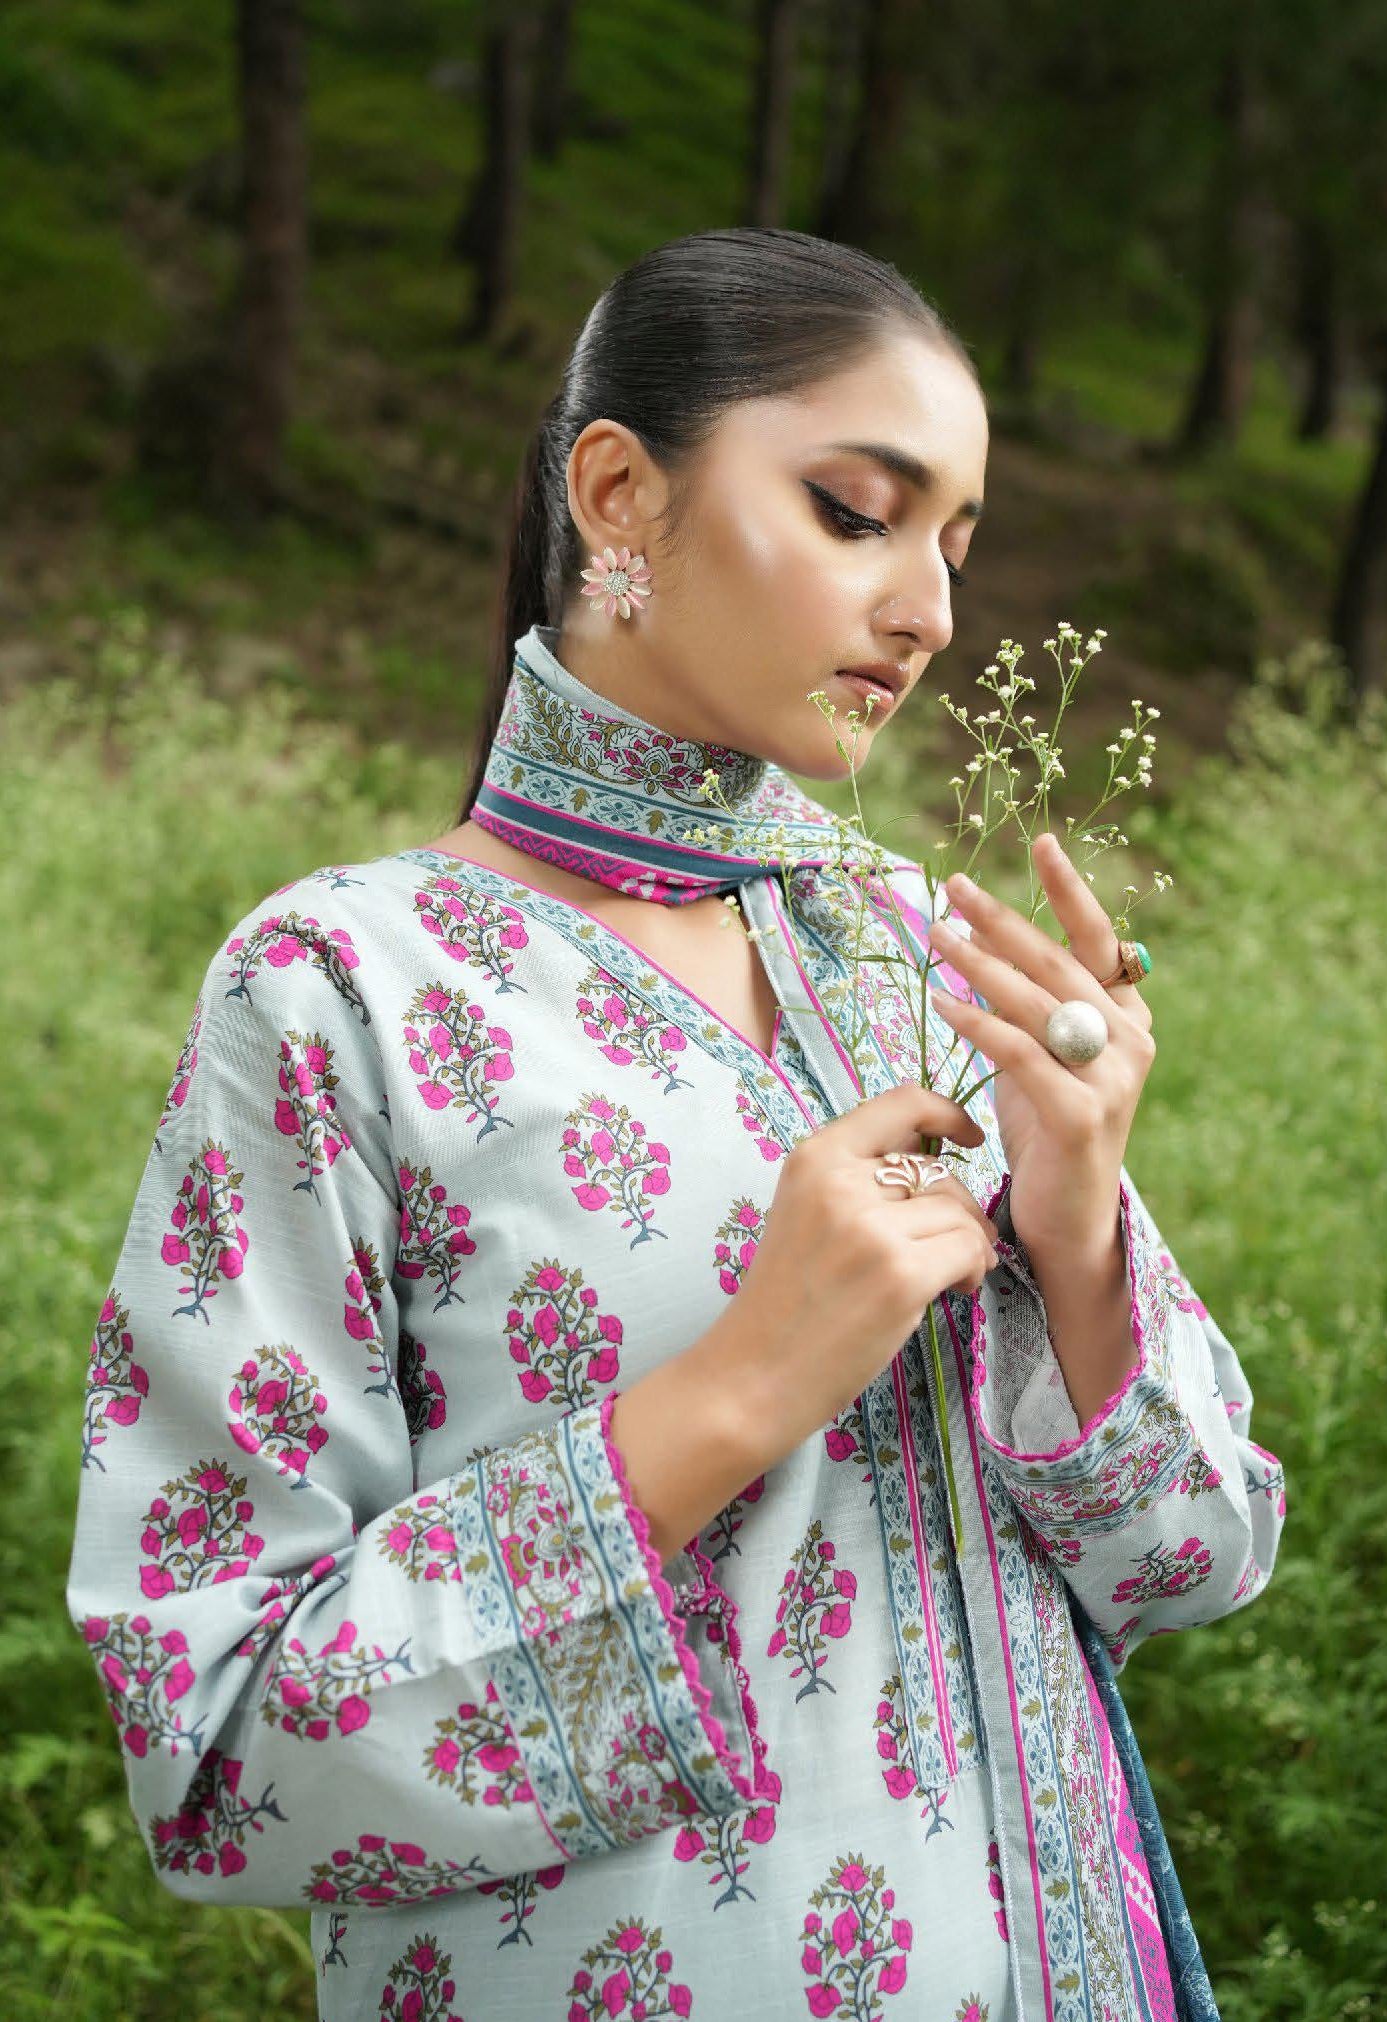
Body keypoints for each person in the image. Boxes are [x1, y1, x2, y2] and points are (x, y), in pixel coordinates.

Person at [65, 227, 1286, 2022]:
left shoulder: (912, 956)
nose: (931, 615)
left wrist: (1076, 1213)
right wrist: (739, 1385)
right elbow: (221, 1738)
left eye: (955, 550)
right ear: (618, 494)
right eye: (857, 514)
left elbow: (1187, 1557)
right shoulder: (341, 986)